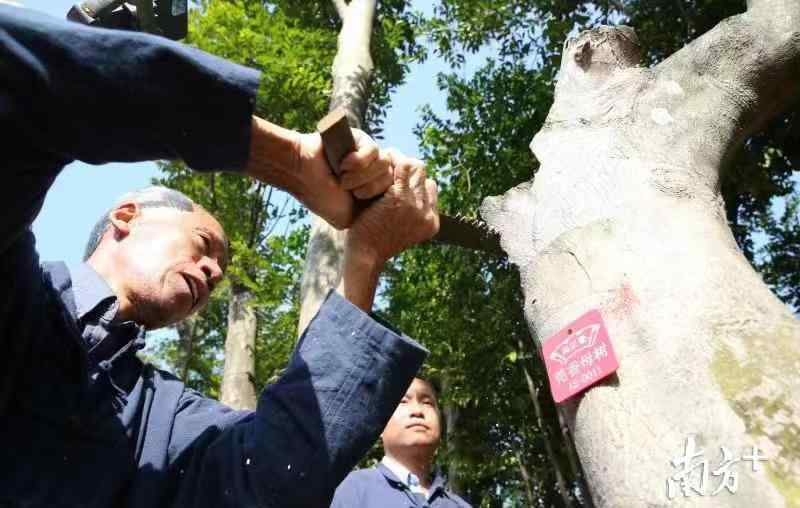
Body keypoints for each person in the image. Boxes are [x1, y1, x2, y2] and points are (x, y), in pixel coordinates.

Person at [0, 4, 440, 508]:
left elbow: (275, 476)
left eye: (220, 273)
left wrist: (365, 257)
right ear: (126, 216)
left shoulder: (165, 420)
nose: (211, 274)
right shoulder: (14, 286)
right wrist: (290, 162)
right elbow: (20, 82)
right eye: (204, 245)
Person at [330, 377, 473, 508]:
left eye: (427, 402)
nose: (417, 411)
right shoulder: (348, 490)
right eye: (403, 401)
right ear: (380, 425)